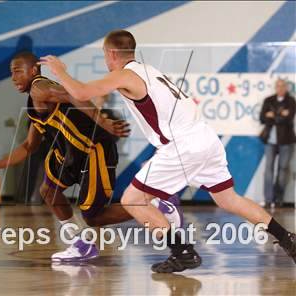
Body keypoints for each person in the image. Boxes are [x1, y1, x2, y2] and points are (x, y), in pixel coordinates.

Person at [39, 29, 296, 272]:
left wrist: (60, 71)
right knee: (229, 199)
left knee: (132, 200)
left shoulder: (125, 74)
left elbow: (81, 92)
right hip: (206, 138)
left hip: (182, 145)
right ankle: (288, 239)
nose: (106, 60)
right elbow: (98, 97)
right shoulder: (150, 70)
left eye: (105, 55)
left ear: (112, 54)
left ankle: (181, 251)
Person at [0, 51, 184, 262]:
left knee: (93, 216)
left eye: (17, 71)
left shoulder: (40, 88)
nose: (13, 77)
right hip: (70, 154)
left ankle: (156, 204)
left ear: (34, 70)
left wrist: (104, 122)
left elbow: (75, 95)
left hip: (93, 150)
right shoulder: (34, 102)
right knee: (49, 191)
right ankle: (81, 244)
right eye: (11, 72)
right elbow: (28, 146)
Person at [259, 79, 295, 208]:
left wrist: (272, 115)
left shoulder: (291, 101)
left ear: (286, 88)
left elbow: (288, 118)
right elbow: (262, 118)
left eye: (282, 86)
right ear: (275, 87)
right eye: (278, 86)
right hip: (270, 141)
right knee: (268, 169)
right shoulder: (268, 100)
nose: (280, 88)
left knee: (283, 170)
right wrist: (280, 114)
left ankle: (278, 199)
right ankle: (268, 199)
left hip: (286, 141)